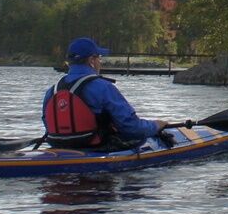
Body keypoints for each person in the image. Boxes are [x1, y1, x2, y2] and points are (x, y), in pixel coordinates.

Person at [41, 36, 170, 150]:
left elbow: (48, 125)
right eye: (99, 57)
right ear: (92, 60)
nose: (100, 62)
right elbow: (131, 128)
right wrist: (156, 125)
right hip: (97, 148)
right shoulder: (103, 87)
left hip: (59, 147)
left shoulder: (52, 91)